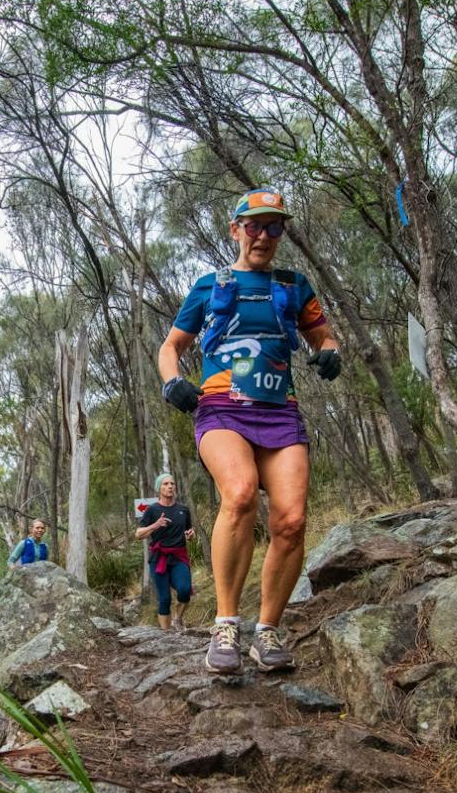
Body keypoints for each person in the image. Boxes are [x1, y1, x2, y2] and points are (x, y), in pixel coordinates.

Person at [156, 188, 341, 674]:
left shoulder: (294, 285)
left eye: (274, 226)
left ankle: (268, 632)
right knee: (238, 494)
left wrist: (328, 352)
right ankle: (225, 625)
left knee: (292, 521)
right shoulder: (208, 285)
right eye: (254, 226)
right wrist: (172, 382)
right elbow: (170, 346)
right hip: (221, 408)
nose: (263, 235)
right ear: (236, 230)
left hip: (280, 411)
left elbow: (322, 334)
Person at [135, 473, 195, 631]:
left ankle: (178, 618)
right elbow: (138, 534)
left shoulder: (183, 510)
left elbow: (188, 530)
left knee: (184, 591)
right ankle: (166, 635)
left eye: (172, 484)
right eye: (165, 484)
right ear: (159, 488)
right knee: (164, 599)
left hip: (178, 556)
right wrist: (155, 525)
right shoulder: (152, 510)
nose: (169, 486)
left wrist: (191, 534)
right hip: (158, 558)